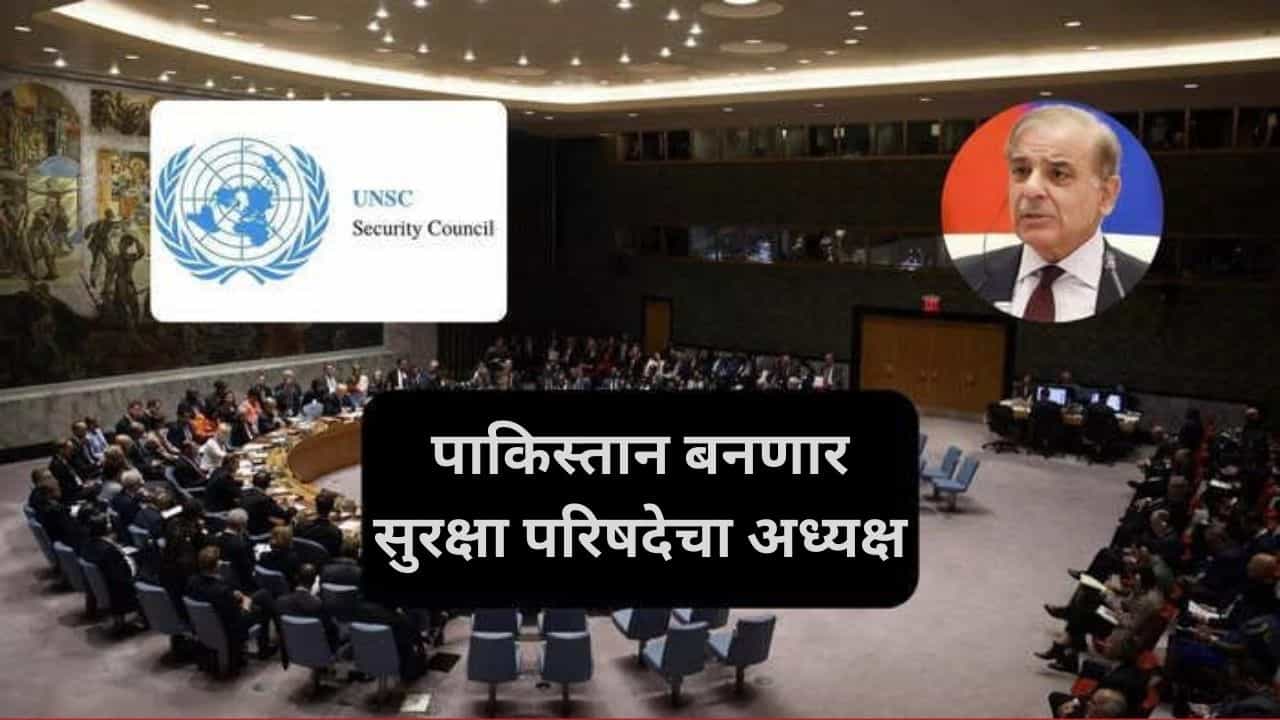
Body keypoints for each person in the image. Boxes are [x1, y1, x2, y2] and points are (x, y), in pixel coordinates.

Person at [951, 104, 1148, 322]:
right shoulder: (970, 276)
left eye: (1058, 174)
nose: (1030, 189)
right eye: (1021, 171)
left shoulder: (1136, 283)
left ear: (1106, 195)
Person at [296, 491, 343, 558]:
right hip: (324, 562)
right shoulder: (336, 532)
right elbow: (336, 554)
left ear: (316, 506)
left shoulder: (301, 526)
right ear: (331, 508)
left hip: (302, 559)